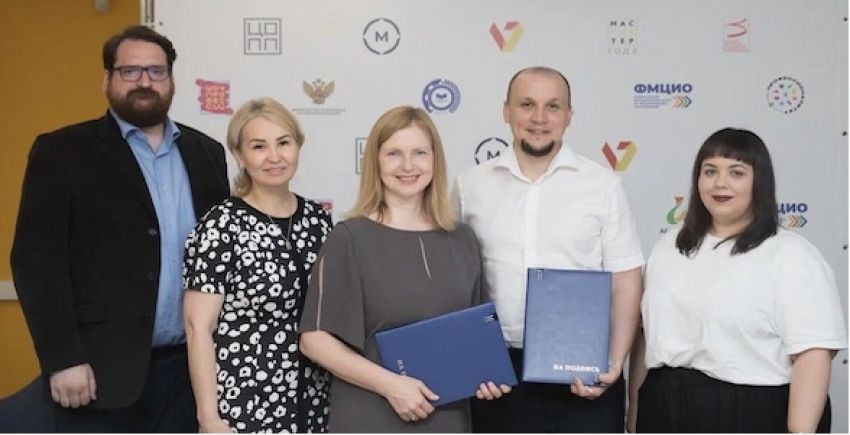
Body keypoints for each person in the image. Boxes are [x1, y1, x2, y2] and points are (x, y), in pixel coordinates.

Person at [10, 25, 230, 432]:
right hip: (97, 375)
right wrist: (63, 358)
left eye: (156, 71)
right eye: (130, 71)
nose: (144, 81)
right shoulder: (62, 152)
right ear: (107, 79)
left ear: (171, 79)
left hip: (190, 375)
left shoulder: (207, 154)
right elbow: (36, 263)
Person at [453, 66, 644, 433]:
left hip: (582, 370)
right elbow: (454, 278)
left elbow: (626, 278)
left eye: (552, 106)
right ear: (506, 111)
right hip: (496, 374)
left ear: (569, 115)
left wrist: (614, 360)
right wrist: (470, 361)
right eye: (527, 104)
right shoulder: (469, 186)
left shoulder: (603, 186)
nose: (539, 118)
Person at [299, 106, 511, 432]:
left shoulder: (463, 239)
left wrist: (488, 377)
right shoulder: (350, 237)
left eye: (420, 153)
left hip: (447, 419)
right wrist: (391, 386)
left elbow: (478, 335)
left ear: (435, 160)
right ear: (375, 162)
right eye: (394, 153)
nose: (408, 165)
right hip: (371, 417)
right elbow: (314, 340)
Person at [627, 128, 847, 433]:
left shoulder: (792, 256)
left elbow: (814, 354)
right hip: (664, 404)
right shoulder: (670, 246)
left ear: (760, 182)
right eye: (710, 171)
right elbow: (646, 336)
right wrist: (635, 409)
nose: (720, 183)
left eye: (736, 172)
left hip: (752, 409)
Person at [183, 97, 332, 433]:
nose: (274, 157)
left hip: (314, 400)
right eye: (259, 146)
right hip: (244, 403)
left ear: (298, 146)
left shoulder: (318, 220)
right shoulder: (221, 225)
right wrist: (209, 417)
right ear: (240, 156)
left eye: (283, 143)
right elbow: (198, 328)